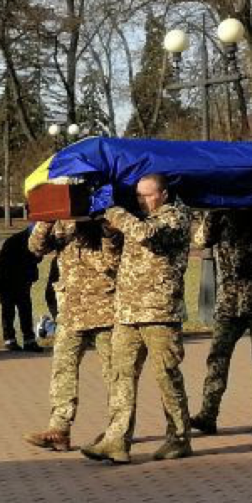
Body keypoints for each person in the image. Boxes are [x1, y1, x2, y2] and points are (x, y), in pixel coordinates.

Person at [98, 175, 196, 462]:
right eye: (138, 196)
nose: (142, 201)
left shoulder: (174, 217)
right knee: (121, 376)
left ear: (164, 194)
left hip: (159, 313)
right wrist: (109, 233)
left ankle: (178, 438)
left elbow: (145, 234)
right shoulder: (138, 219)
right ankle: (116, 439)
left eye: (148, 195)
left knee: (166, 376)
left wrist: (115, 211)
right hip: (128, 311)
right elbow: (114, 258)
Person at [21, 217, 122, 453]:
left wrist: (101, 225)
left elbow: (113, 260)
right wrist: (46, 220)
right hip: (71, 310)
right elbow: (35, 247)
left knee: (114, 374)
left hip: (105, 307)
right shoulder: (61, 222)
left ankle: (118, 430)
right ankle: (59, 429)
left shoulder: (107, 219)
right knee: (62, 369)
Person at [191, 204, 252, 437]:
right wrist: (214, 212)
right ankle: (208, 414)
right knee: (217, 357)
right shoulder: (219, 214)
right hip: (229, 301)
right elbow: (201, 240)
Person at [0, 224, 43, 352]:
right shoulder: (17, 240)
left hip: (22, 279)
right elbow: (30, 259)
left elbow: (36, 258)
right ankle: (10, 339)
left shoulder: (31, 239)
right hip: (7, 279)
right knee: (9, 310)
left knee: (25, 309)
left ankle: (28, 340)